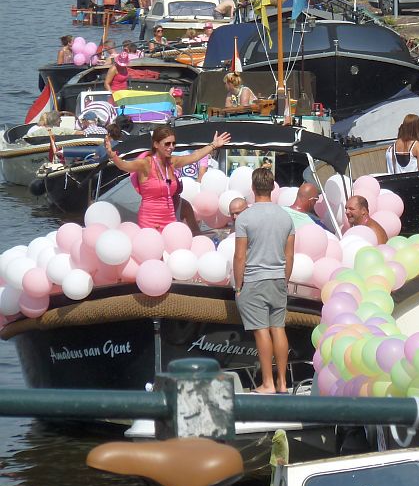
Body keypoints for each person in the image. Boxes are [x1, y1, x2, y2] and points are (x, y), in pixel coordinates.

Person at [232, 166, 295, 394]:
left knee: (261, 331)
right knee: (278, 328)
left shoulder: (245, 218)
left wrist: (238, 286)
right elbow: (289, 255)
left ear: (252, 187)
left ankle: (267, 382)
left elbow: (240, 256)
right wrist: (284, 278)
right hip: (278, 278)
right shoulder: (285, 217)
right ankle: (283, 383)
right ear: (272, 188)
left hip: (254, 280)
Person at [105, 125, 230, 231]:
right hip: (149, 220)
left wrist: (213, 145)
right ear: (156, 144)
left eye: (173, 143)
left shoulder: (172, 162)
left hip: (170, 218)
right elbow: (124, 166)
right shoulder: (145, 163)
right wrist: (113, 157)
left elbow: (195, 156)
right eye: (167, 144)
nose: (171, 147)